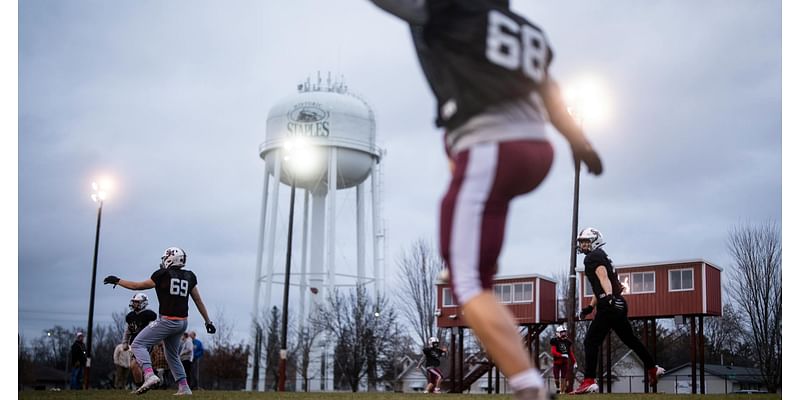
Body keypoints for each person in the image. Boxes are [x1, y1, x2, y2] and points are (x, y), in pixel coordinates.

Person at [367, 1, 602, 399]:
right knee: (481, 281)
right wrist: (577, 139)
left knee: (466, 283)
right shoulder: (526, 29)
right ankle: (524, 375)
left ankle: (530, 388)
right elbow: (549, 89)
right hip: (535, 151)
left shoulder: (457, 10)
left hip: (491, 146)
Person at [103, 247, 216, 395]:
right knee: (172, 355)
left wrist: (118, 281)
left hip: (167, 321)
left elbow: (137, 286)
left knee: (137, 344)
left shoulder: (162, 274)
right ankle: (184, 387)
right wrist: (208, 321)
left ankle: (149, 375)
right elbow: (198, 300)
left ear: (170, 258)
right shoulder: (189, 276)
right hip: (182, 323)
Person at [572, 228, 664, 394]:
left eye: (586, 241)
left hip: (610, 305)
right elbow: (600, 284)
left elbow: (603, 277)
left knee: (590, 341)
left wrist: (608, 298)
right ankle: (652, 368)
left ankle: (589, 381)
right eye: (582, 242)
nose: (583, 245)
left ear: (595, 241)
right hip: (618, 303)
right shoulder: (601, 255)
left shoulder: (593, 258)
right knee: (630, 339)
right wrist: (591, 307)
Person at [124, 292, 157, 386]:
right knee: (135, 366)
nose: (134, 304)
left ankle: (143, 385)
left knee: (135, 365)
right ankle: (142, 385)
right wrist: (125, 342)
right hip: (134, 343)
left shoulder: (149, 315)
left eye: (137, 302)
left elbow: (154, 329)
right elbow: (128, 331)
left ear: (143, 303)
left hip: (145, 343)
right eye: (134, 302)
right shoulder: (130, 316)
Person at [550, 325, 576, 394]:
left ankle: (562, 392)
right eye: (562, 332)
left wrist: (574, 361)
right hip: (557, 363)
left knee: (564, 377)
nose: (564, 334)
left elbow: (570, 353)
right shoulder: (554, 341)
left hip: (564, 363)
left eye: (564, 332)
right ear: (558, 333)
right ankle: (558, 388)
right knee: (556, 378)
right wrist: (561, 355)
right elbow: (553, 351)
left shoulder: (567, 342)